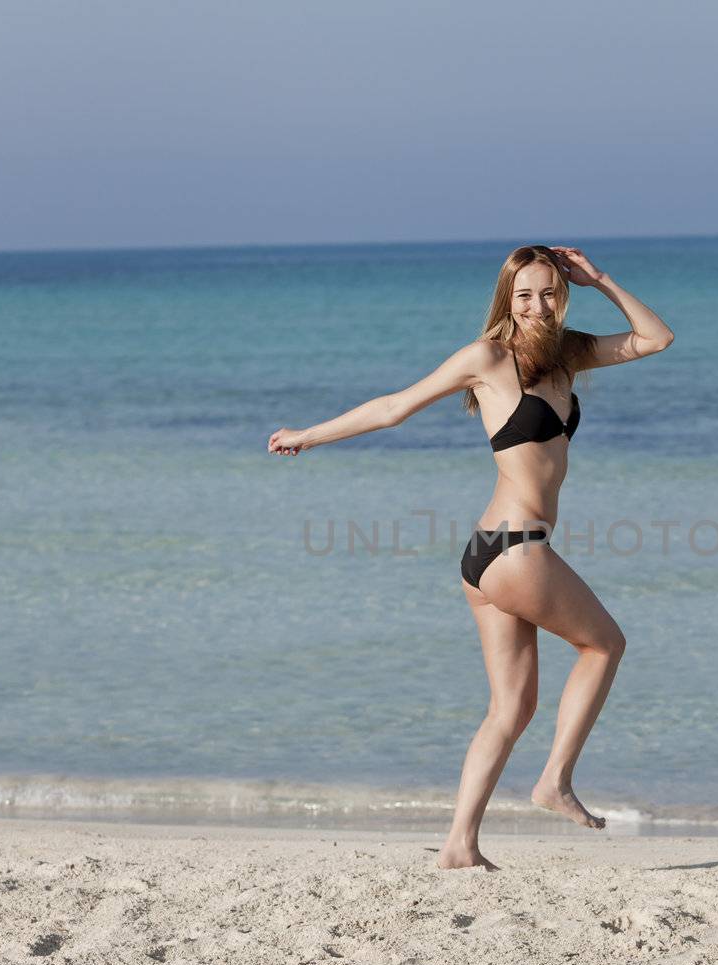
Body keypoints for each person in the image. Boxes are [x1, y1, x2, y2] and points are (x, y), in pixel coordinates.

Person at [268, 245, 674, 870]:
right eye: (524, 296)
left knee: (511, 708)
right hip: (514, 550)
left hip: (488, 554)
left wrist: (600, 280)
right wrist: (306, 436)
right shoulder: (486, 357)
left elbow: (656, 337)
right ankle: (555, 782)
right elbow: (392, 409)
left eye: (548, 293)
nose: (537, 306)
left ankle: (459, 844)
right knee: (604, 646)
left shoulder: (569, 353)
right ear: (505, 300)